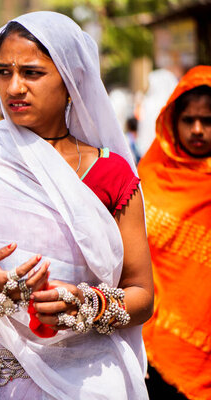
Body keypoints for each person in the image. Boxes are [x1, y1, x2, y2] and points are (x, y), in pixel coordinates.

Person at [0, 12, 153, 399]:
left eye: (32, 73)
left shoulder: (111, 173)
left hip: (85, 381)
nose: (14, 87)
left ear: (72, 81)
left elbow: (141, 294)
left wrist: (84, 301)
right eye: (4, 72)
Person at [139, 65, 211, 400]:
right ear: (172, 121)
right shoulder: (150, 177)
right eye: (188, 120)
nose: (198, 130)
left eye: (208, 121)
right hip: (153, 345)